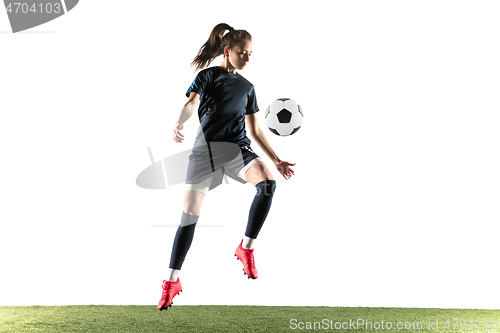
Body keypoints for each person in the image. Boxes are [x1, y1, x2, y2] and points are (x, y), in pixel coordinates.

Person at [158, 23, 296, 311]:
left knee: (267, 185)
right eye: (242, 52)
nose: (247, 57)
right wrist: (177, 122)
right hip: (205, 153)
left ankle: (246, 247)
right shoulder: (207, 76)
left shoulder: (247, 87)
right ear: (227, 50)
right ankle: (172, 281)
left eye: (250, 53)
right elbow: (190, 103)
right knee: (188, 219)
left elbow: (256, 130)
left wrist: (276, 160)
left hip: (236, 150)